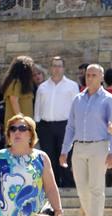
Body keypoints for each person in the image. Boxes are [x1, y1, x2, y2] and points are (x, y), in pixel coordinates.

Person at [0, 115, 60, 216]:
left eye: (22, 128)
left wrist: (58, 210)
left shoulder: (41, 158)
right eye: (12, 129)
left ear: (31, 134)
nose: (17, 132)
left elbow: (51, 187)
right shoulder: (0, 157)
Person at [59, 65, 112, 216]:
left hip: (99, 146)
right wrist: (65, 150)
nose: (90, 78)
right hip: (79, 147)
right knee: (82, 188)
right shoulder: (77, 99)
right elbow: (70, 126)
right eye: (88, 75)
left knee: (96, 187)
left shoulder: (109, 99)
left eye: (93, 75)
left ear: (101, 77)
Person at [33, 57, 78, 188]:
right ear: (50, 68)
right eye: (54, 66)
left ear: (63, 68)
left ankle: (68, 186)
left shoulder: (72, 86)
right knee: (49, 157)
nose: (57, 68)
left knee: (65, 156)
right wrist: (37, 125)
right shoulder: (42, 87)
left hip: (65, 126)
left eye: (59, 66)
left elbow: (75, 108)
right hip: (45, 126)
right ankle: (52, 186)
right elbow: (37, 108)